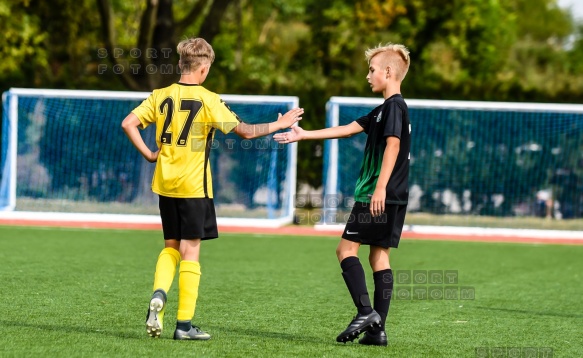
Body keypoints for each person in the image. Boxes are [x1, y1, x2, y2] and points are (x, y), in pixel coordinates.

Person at [121, 37, 304, 341]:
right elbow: (245, 132)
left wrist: (150, 154)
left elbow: (128, 123)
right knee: (191, 251)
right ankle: (183, 326)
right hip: (194, 187)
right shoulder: (209, 99)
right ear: (203, 68)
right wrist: (280, 123)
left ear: (182, 64)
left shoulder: (160, 95)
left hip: (165, 185)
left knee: (171, 246)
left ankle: (159, 294)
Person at [274, 43, 411, 346]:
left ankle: (365, 312)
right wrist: (305, 134)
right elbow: (349, 128)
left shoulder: (393, 108)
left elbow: (393, 146)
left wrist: (378, 189)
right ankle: (378, 331)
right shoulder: (386, 109)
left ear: (388, 73)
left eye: (372, 70)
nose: (368, 75)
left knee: (345, 251)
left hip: (377, 194)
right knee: (379, 256)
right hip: (395, 196)